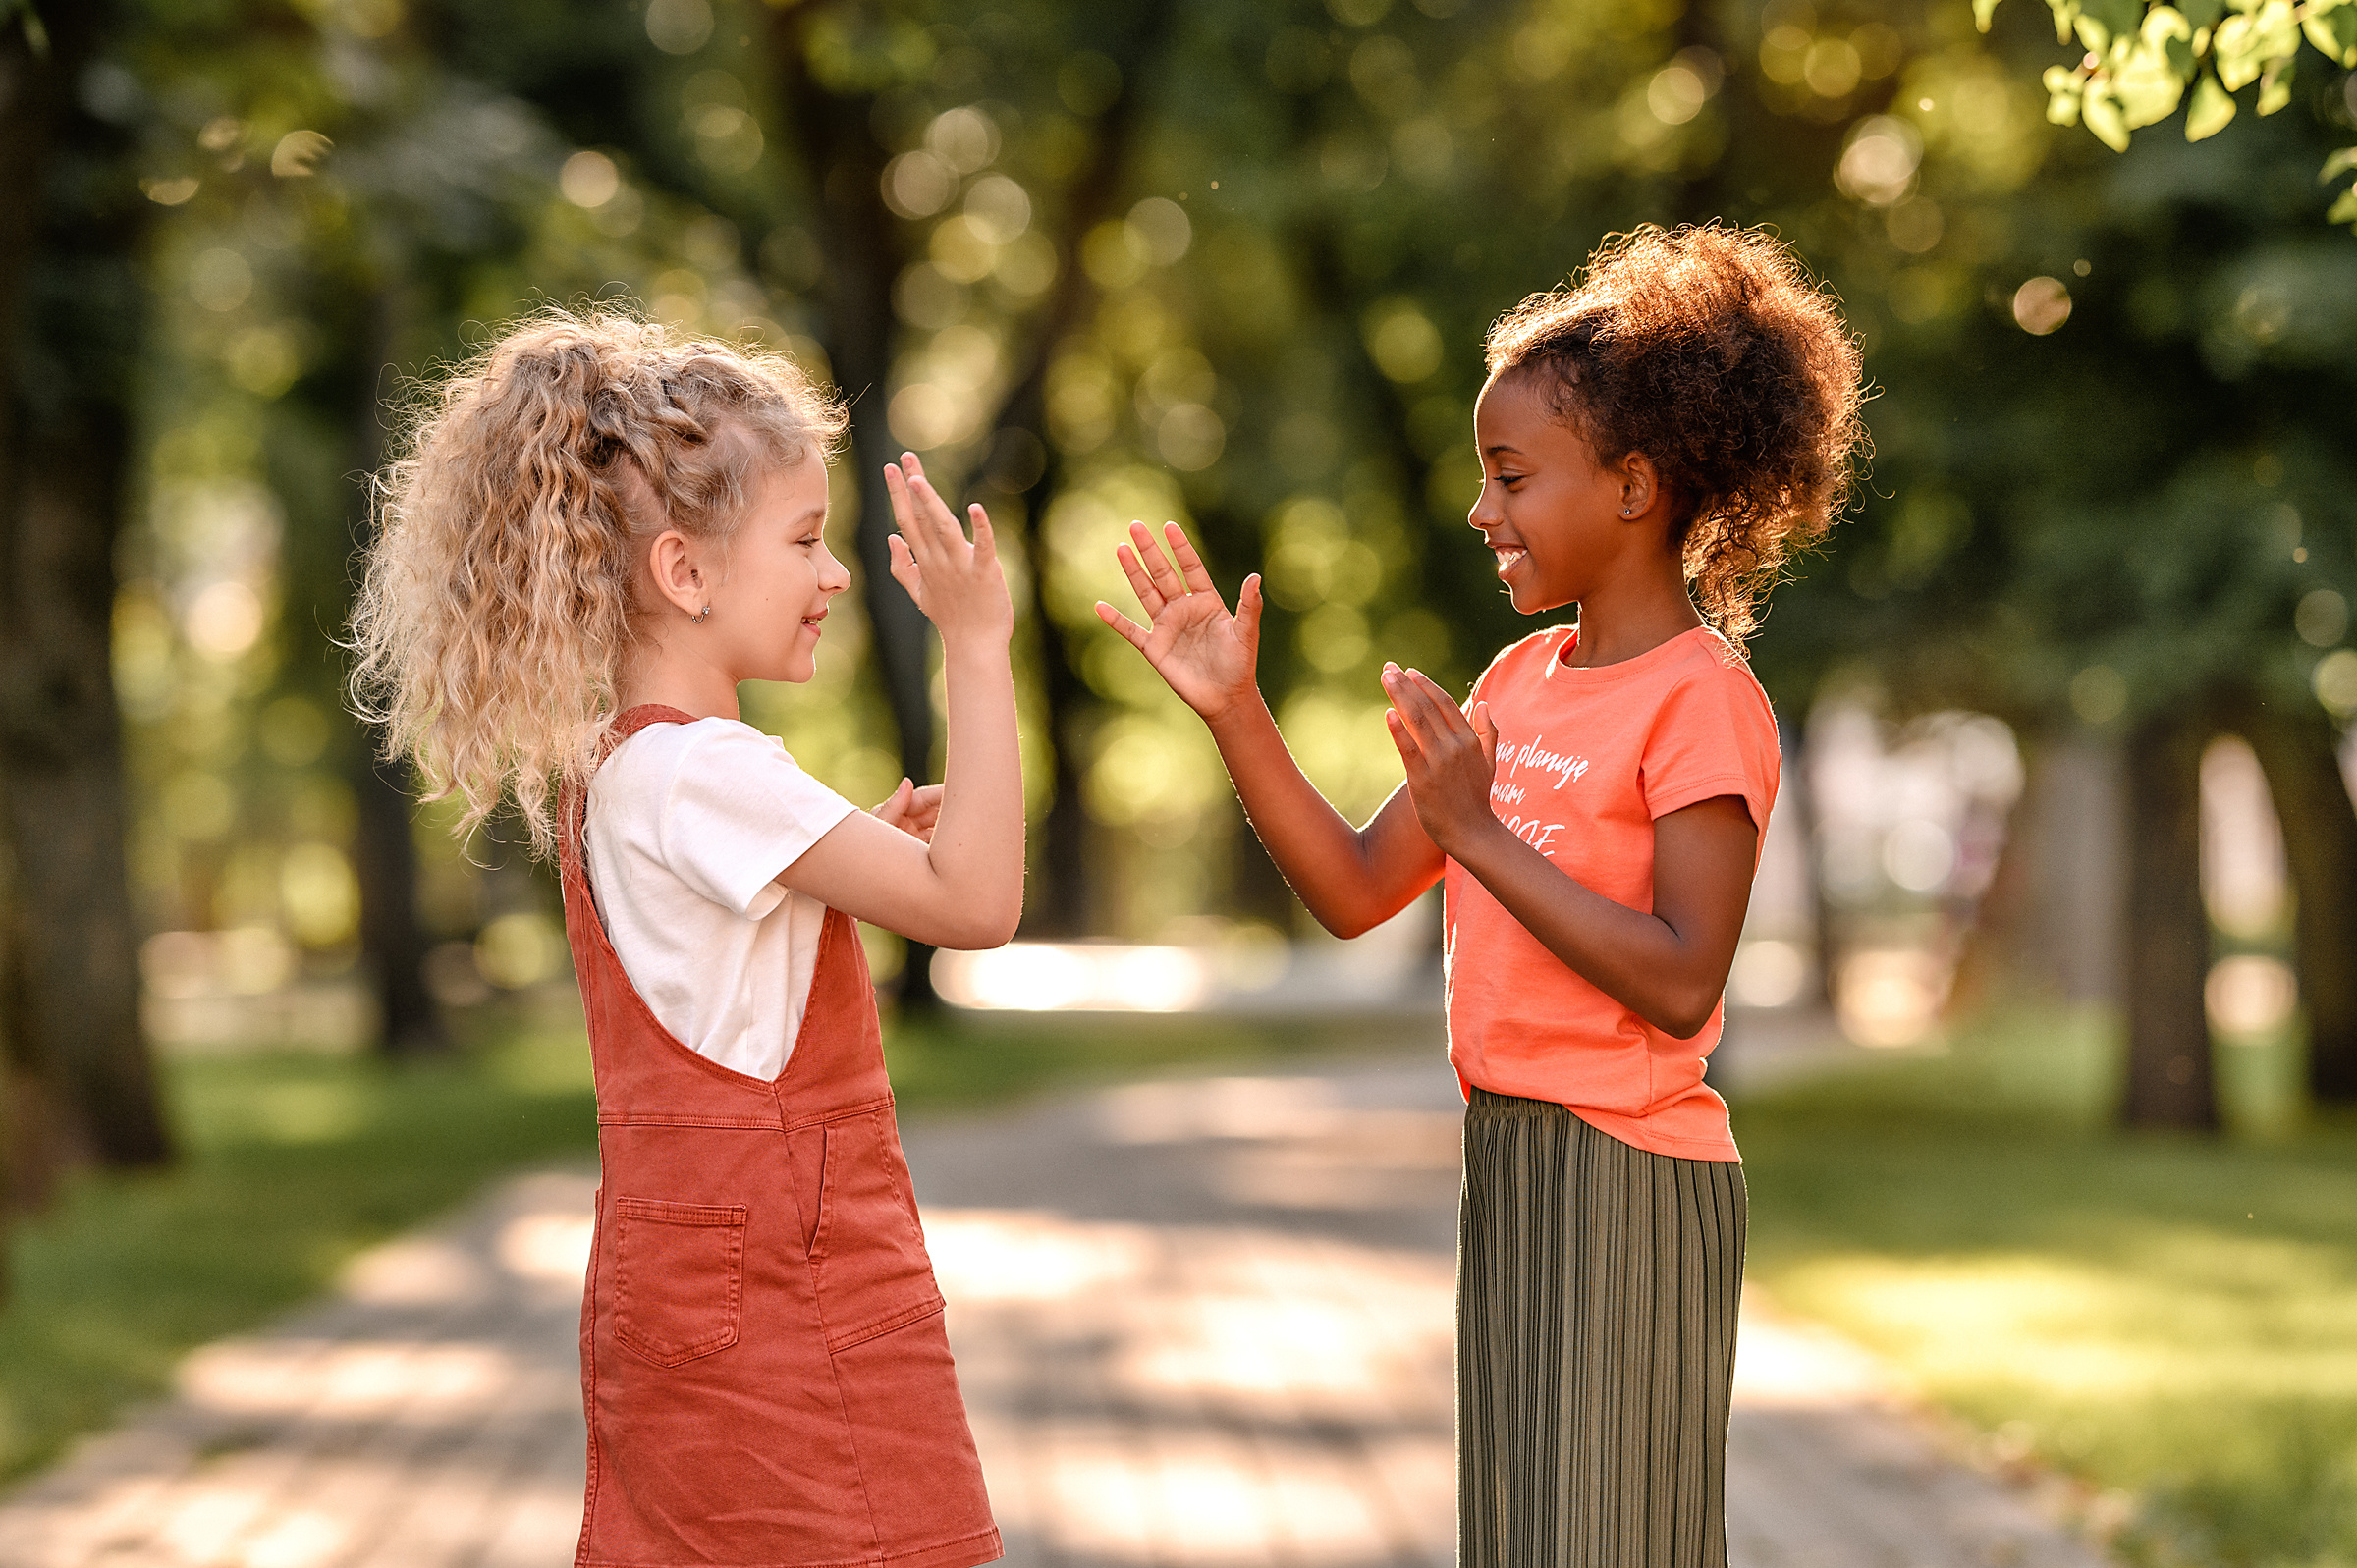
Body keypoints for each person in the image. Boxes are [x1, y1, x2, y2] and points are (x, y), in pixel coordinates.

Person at [1098, 224, 1865, 1566]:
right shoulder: (1515, 686)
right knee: (1520, 1540)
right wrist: (1233, 708)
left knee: (1618, 1543)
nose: (1481, 509)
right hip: (1507, 1158)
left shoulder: (1706, 703)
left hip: (1632, 1174)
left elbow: (1686, 974)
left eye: (1511, 475)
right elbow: (1350, 887)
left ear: (1633, 486)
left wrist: (1483, 835)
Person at [350, 310, 1017, 1568]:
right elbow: (977, 904)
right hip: (787, 1304)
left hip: (670, 1295)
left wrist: (845, 856)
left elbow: (720, 980)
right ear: (686, 574)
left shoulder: (621, 769)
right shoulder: (714, 772)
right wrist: (976, 644)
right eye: (808, 541)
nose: (835, 575)